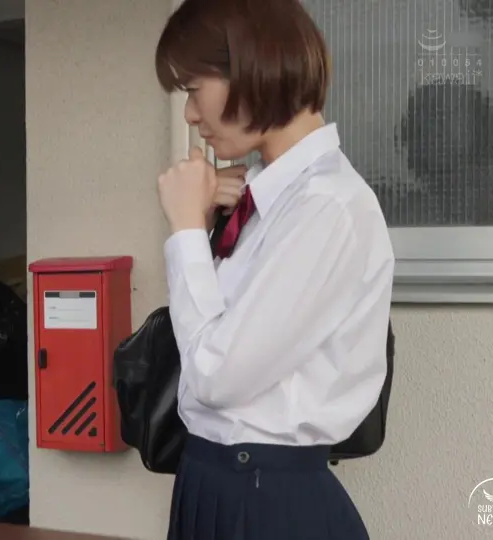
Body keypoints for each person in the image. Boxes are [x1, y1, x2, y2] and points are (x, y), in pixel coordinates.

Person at [153, 1, 393, 539]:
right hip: (221, 482)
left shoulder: (327, 206)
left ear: (252, 68)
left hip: (264, 499)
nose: (190, 115)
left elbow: (215, 377)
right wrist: (205, 224)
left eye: (193, 89)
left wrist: (185, 230)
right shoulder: (269, 200)